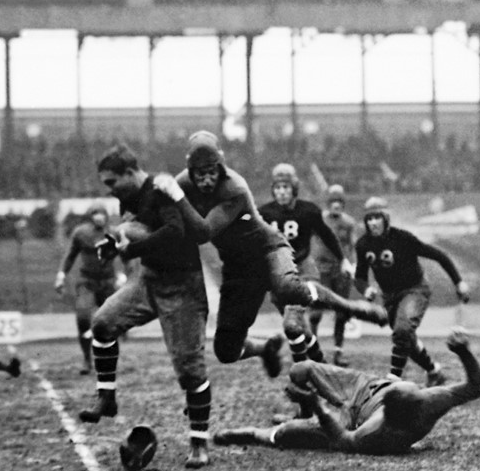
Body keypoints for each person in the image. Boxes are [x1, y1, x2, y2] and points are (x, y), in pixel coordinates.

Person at [153, 131, 387, 379]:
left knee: (288, 289)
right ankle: (265, 348)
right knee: (226, 350)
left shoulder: (235, 187)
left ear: (221, 164)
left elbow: (204, 232)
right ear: (190, 170)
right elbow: (156, 215)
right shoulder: (181, 184)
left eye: (212, 171)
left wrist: (176, 196)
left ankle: (351, 307)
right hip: (237, 267)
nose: (208, 179)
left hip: (268, 250)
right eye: (200, 173)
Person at [79, 145, 212, 469]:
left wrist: (131, 248)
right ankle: (107, 397)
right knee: (102, 323)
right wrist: (112, 246)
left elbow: (174, 232)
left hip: (182, 285)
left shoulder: (160, 189)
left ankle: (199, 444)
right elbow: (130, 231)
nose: (110, 189)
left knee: (190, 370)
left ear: (129, 172)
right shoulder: (127, 197)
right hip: (149, 279)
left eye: (112, 182)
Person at [212, 329, 480, 454]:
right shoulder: (427, 400)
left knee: (290, 434)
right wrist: (464, 353)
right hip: (359, 386)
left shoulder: (377, 435)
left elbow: (343, 441)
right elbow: (476, 386)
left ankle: (253, 433)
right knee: (301, 370)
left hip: (352, 417)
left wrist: (319, 407)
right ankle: (304, 412)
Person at [354, 196, 469, 384]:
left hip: (415, 290)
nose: (373, 223)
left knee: (402, 330)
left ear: (386, 218)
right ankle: (434, 371)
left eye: (377, 217)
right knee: (407, 339)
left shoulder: (403, 238)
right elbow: (359, 277)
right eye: (369, 218)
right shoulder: (363, 244)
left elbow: (439, 255)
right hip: (390, 297)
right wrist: (366, 289)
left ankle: (393, 379)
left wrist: (458, 282)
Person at [259, 164, 349, 365]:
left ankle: (306, 366)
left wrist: (343, 259)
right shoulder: (264, 213)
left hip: (303, 268)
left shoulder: (308, 210)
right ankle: (318, 363)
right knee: (297, 326)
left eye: (286, 187)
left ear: (294, 189)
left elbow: (327, 235)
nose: (281, 192)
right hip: (279, 272)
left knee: (294, 318)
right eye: (278, 188)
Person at [54, 201, 123, 375]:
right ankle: (86, 358)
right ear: (90, 216)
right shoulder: (81, 233)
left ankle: (109, 360)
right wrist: (61, 275)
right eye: (95, 213)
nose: (99, 216)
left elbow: (126, 255)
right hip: (87, 281)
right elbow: (70, 255)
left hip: (108, 282)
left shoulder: (114, 232)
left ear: (106, 216)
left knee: (109, 323)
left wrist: (124, 275)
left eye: (101, 213)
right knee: (83, 317)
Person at [319, 184, 359, 366]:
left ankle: (338, 352)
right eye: (332, 201)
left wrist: (353, 265)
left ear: (343, 204)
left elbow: (353, 246)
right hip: (322, 269)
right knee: (315, 310)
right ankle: (313, 351)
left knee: (341, 311)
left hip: (340, 270)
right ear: (328, 203)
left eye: (339, 201)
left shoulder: (349, 223)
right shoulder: (320, 220)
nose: (336, 205)